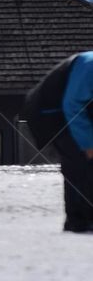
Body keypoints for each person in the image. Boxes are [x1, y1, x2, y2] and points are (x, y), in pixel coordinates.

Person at [24, 51, 93, 232]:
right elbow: (73, 105)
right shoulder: (90, 65)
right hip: (51, 113)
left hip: (75, 112)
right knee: (80, 161)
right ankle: (79, 221)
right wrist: (88, 144)